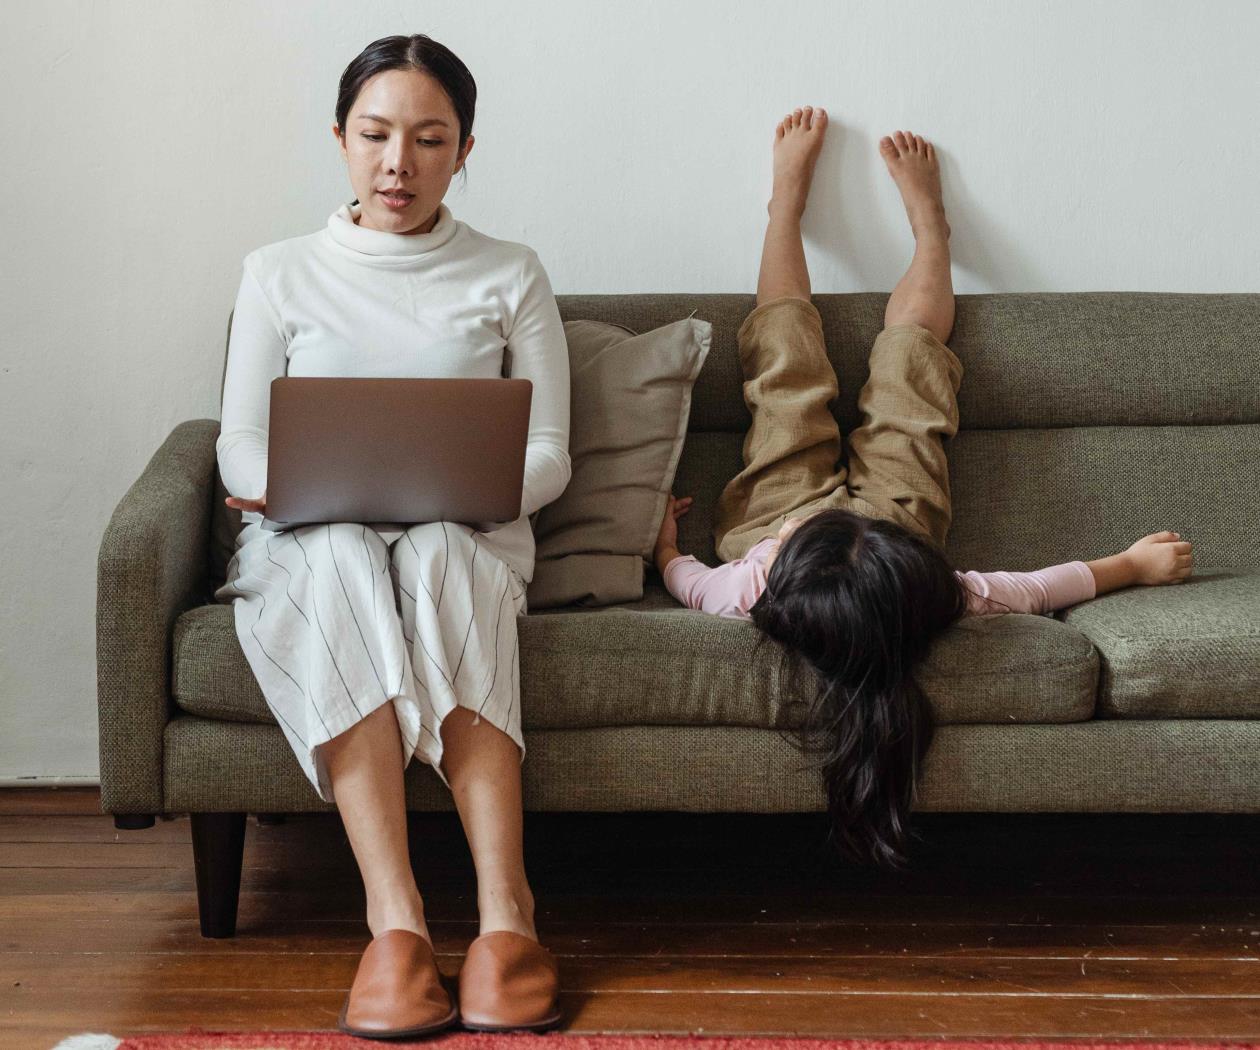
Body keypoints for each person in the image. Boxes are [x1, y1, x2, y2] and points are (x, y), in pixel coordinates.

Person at [654, 107, 1195, 871]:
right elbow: (1037, 588)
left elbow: (688, 583)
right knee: (912, 367)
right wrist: (1130, 566)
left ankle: (783, 210)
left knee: (783, 368)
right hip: (892, 524)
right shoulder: (931, 588)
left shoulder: (749, 583)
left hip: (777, 517)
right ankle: (933, 233)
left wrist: (666, 544)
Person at [214, 34, 566, 1038]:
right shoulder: (278, 273)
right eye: (374, 135)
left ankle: (508, 917)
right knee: (336, 560)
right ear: (340, 139)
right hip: (312, 532)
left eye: (427, 138)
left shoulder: (511, 273)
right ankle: (396, 923)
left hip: (469, 528)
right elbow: (241, 444)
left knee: (444, 555)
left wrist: (466, 492)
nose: (396, 164)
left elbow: (549, 455)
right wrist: (290, 485)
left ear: (464, 151)